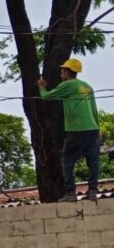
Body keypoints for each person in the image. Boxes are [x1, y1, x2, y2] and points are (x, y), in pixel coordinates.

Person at [37, 58, 101, 201]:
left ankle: (70, 193)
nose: (61, 74)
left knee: (67, 161)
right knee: (93, 162)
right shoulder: (87, 87)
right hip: (92, 129)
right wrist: (98, 129)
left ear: (67, 72)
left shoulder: (68, 85)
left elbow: (47, 97)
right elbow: (94, 109)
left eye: (62, 71)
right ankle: (92, 191)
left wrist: (42, 87)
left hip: (76, 130)